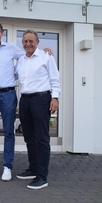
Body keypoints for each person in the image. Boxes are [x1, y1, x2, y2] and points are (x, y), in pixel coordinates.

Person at [0, 22, 52, 182]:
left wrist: (46, 51)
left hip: (8, 93)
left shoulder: (12, 49)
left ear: (2, 33)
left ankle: (7, 167)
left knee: (8, 132)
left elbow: (29, 56)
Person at [15, 29, 60, 190]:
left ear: (37, 42)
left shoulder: (46, 56)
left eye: (31, 41)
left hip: (41, 99)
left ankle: (42, 176)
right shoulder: (21, 60)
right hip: (25, 100)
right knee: (29, 137)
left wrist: (55, 98)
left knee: (42, 138)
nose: (28, 44)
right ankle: (33, 169)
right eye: (25, 42)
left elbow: (55, 79)